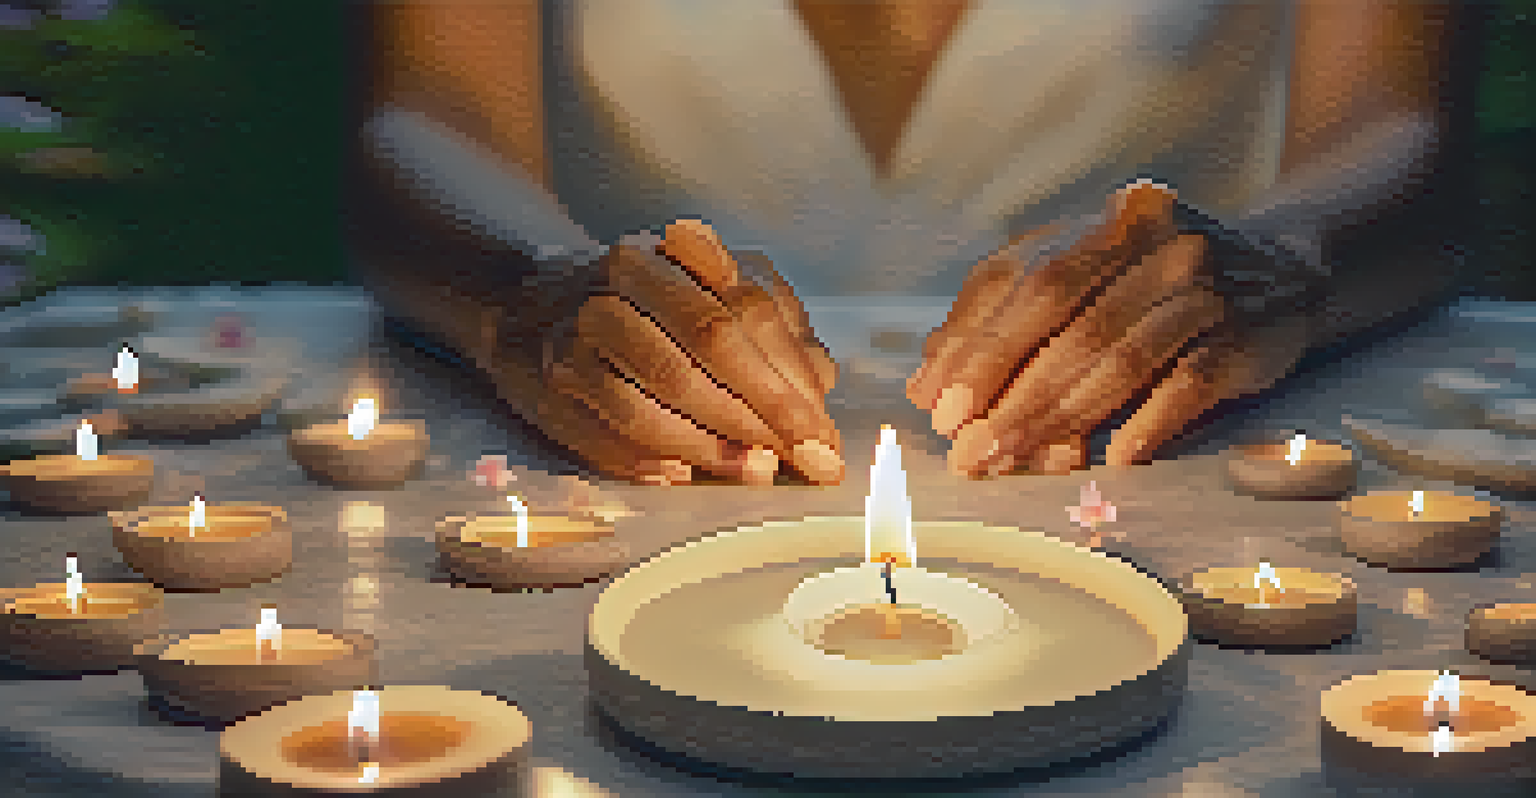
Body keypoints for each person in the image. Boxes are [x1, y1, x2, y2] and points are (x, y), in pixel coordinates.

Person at [347, 0, 1470, 486]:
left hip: (1175, 454)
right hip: (633, 455)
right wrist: (529, 294)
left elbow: (1408, 135)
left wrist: (1275, 260)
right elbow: (421, 117)